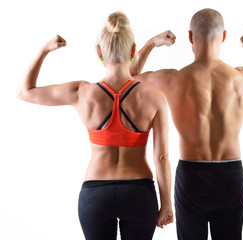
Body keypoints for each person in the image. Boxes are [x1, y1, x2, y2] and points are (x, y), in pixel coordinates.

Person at [134, 8, 243, 240]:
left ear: (190, 37)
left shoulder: (173, 79)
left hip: (191, 175)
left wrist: (151, 43)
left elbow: (126, 79)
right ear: (224, 36)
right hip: (230, 176)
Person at [17, 11, 175, 240]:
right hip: (138, 193)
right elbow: (162, 157)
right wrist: (167, 204)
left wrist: (44, 50)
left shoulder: (82, 93)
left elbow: (25, 91)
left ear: (99, 52)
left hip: (95, 195)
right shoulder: (154, 97)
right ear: (132, 51)